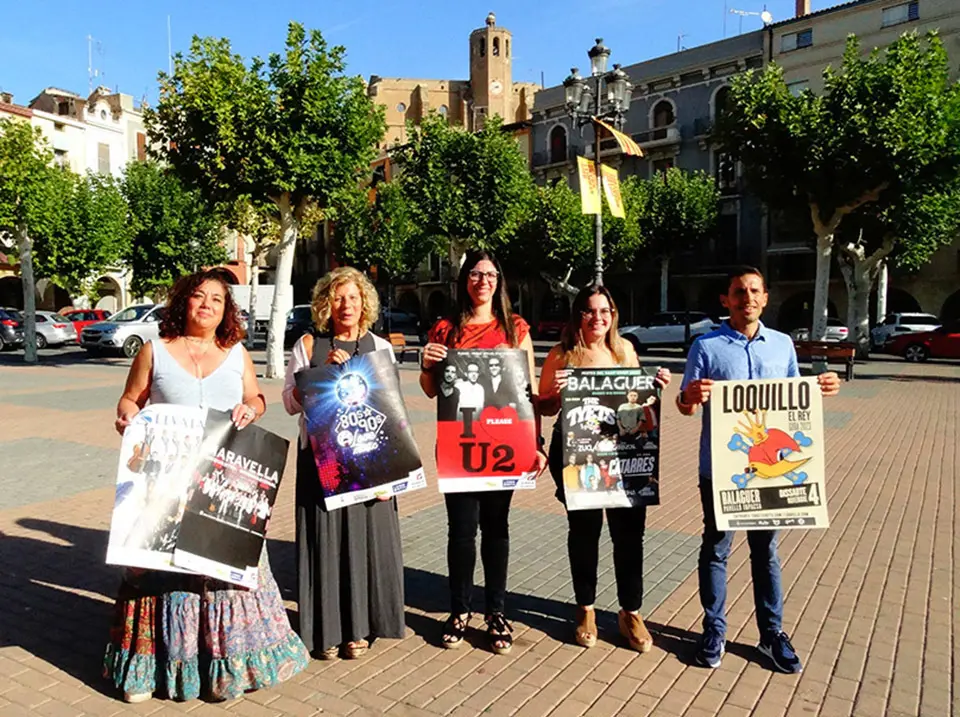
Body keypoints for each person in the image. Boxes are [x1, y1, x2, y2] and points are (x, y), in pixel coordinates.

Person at [104, 269, 308, 704]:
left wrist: (250, 409)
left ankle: (225, 667)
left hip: (223, 479)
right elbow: (130, 399)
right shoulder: (154, 351)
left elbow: (257, 398)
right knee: (164, 571)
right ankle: (153, 668)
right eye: (199, 297)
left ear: (225, 311)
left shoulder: (235, 354)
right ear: (184, 302)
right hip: (167, 480)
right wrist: (125, 417)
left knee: (221, 572)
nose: (207, 305)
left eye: (217, 300)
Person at [677, 266, 841, 674]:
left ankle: (771, 634)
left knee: (765, 551)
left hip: (771, 475)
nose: (746, 297)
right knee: (716, 549)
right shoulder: (706, 346)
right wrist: (690, 395)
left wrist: (820, 390)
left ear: (765, 298)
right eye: (738, 291)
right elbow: (685, 405)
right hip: (721, 471)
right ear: (725, 299)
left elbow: (793, 401)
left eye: (753, 291)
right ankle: (714, 629)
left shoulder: (782, 345)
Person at [420, 249, 546, 655]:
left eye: (490, 274)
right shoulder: (445, 329)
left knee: (497, 530)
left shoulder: (516, 329)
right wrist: (426, 365)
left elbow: (528, 395)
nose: (483, 281)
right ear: (464, 281)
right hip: (460, 445)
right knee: (460, 532)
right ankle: (459, 610)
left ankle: (496, 612)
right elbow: (429, 390)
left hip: (504, 446)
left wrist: (537, 444)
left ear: (499, 282)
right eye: (475, 274)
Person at [282, 267, 405, 660]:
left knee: (365, 542)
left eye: (353, 297)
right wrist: (321, 376)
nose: (346, 305)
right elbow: (288, 401)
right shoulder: (308, 344)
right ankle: (326, 631)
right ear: (325, 304)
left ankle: (362, 629)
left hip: (371, 460)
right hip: (323, 462)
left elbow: (393, 410)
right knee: (326, 542)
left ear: (364, 303)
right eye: (337, 298)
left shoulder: (380, 347)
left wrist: (394, 475)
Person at [539, 284, 670, 652]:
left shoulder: (624, 349)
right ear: (577, 315)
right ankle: (586, 608)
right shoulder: (561, 355)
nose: (597, 318)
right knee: (584, 533)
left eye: (604, 311)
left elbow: (639, 398)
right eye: (589, 311)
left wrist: (656, 385)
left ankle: (631, 611)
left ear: (613, 315)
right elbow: (544, 406)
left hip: (624, 455)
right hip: (577, 454)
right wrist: (554, 394)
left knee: (629, 535)